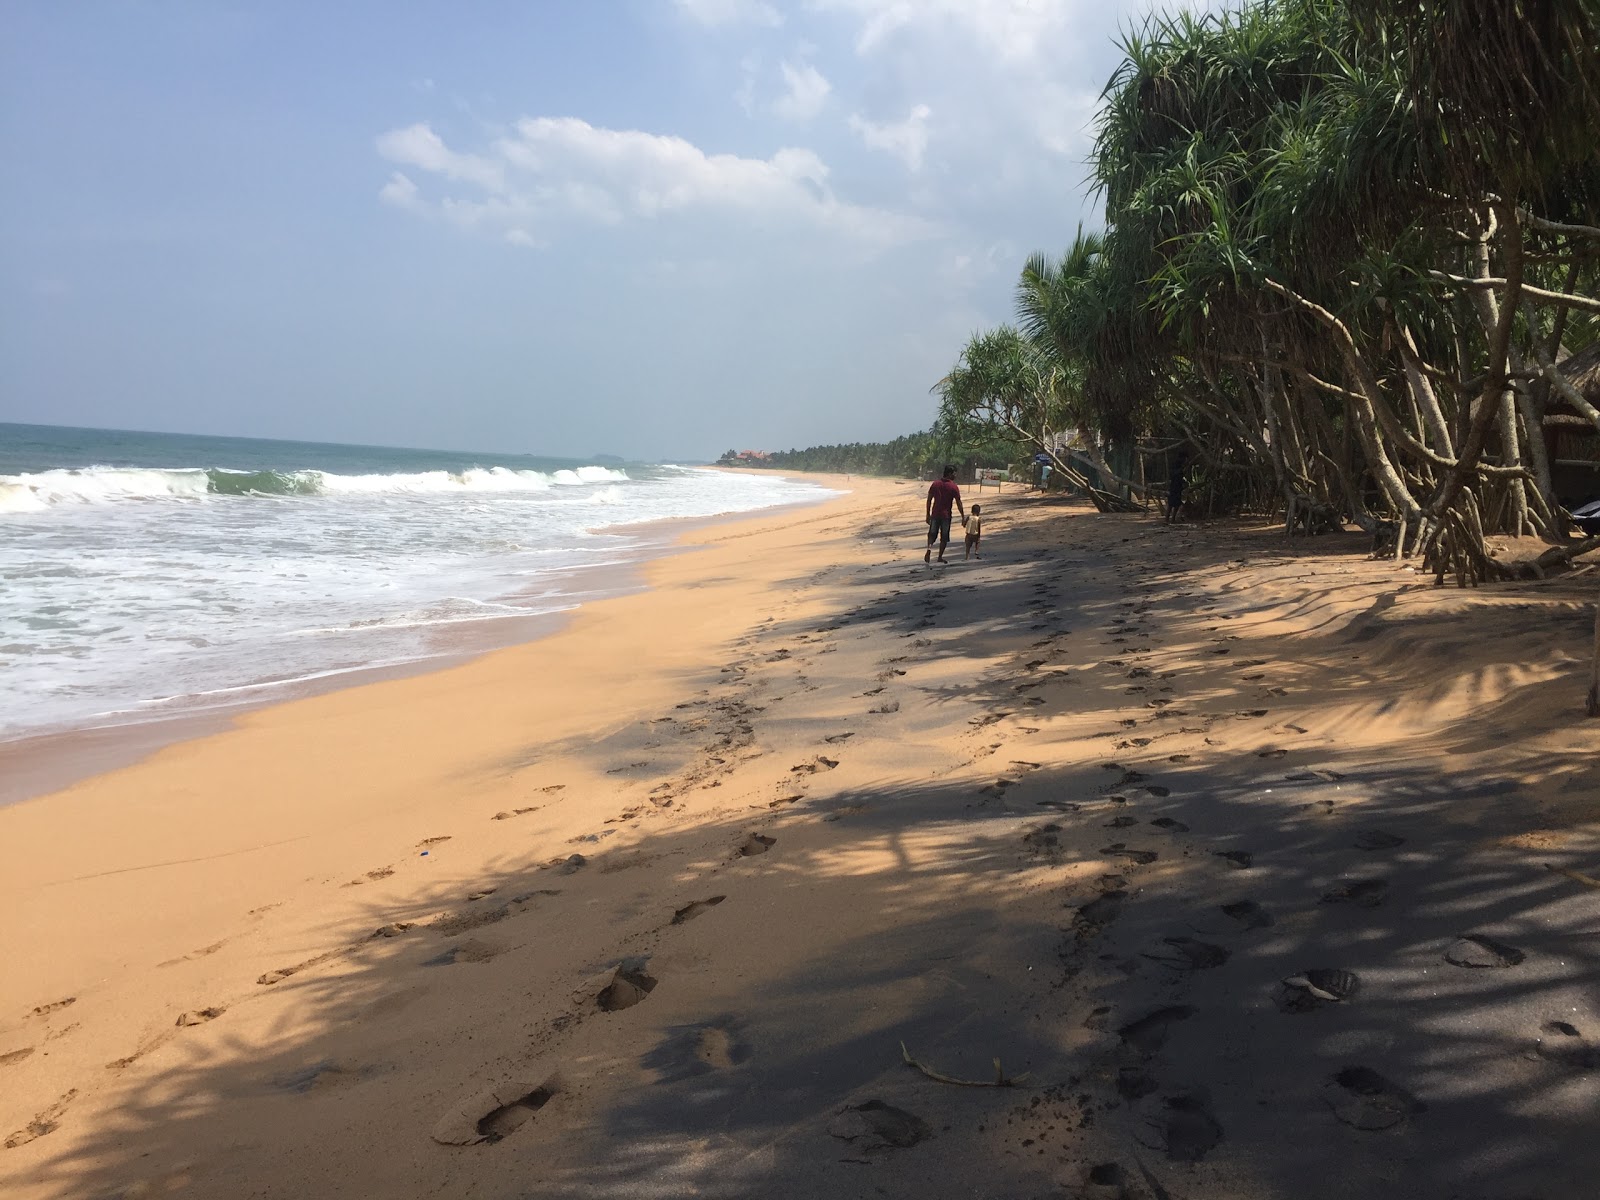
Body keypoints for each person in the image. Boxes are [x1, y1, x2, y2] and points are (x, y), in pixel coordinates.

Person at [924, 465, 966, 564]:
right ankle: (939, 557)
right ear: (950, 473)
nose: (955, 475)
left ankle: (929, 549)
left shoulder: (935, 484)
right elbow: (958, 502)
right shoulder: (953, 486)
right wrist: (963, 516)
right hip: (946, 516)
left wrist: (927, 514)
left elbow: (929, 500)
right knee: (944, 537)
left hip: (935, 514)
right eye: (954, 473)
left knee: (932, 534)